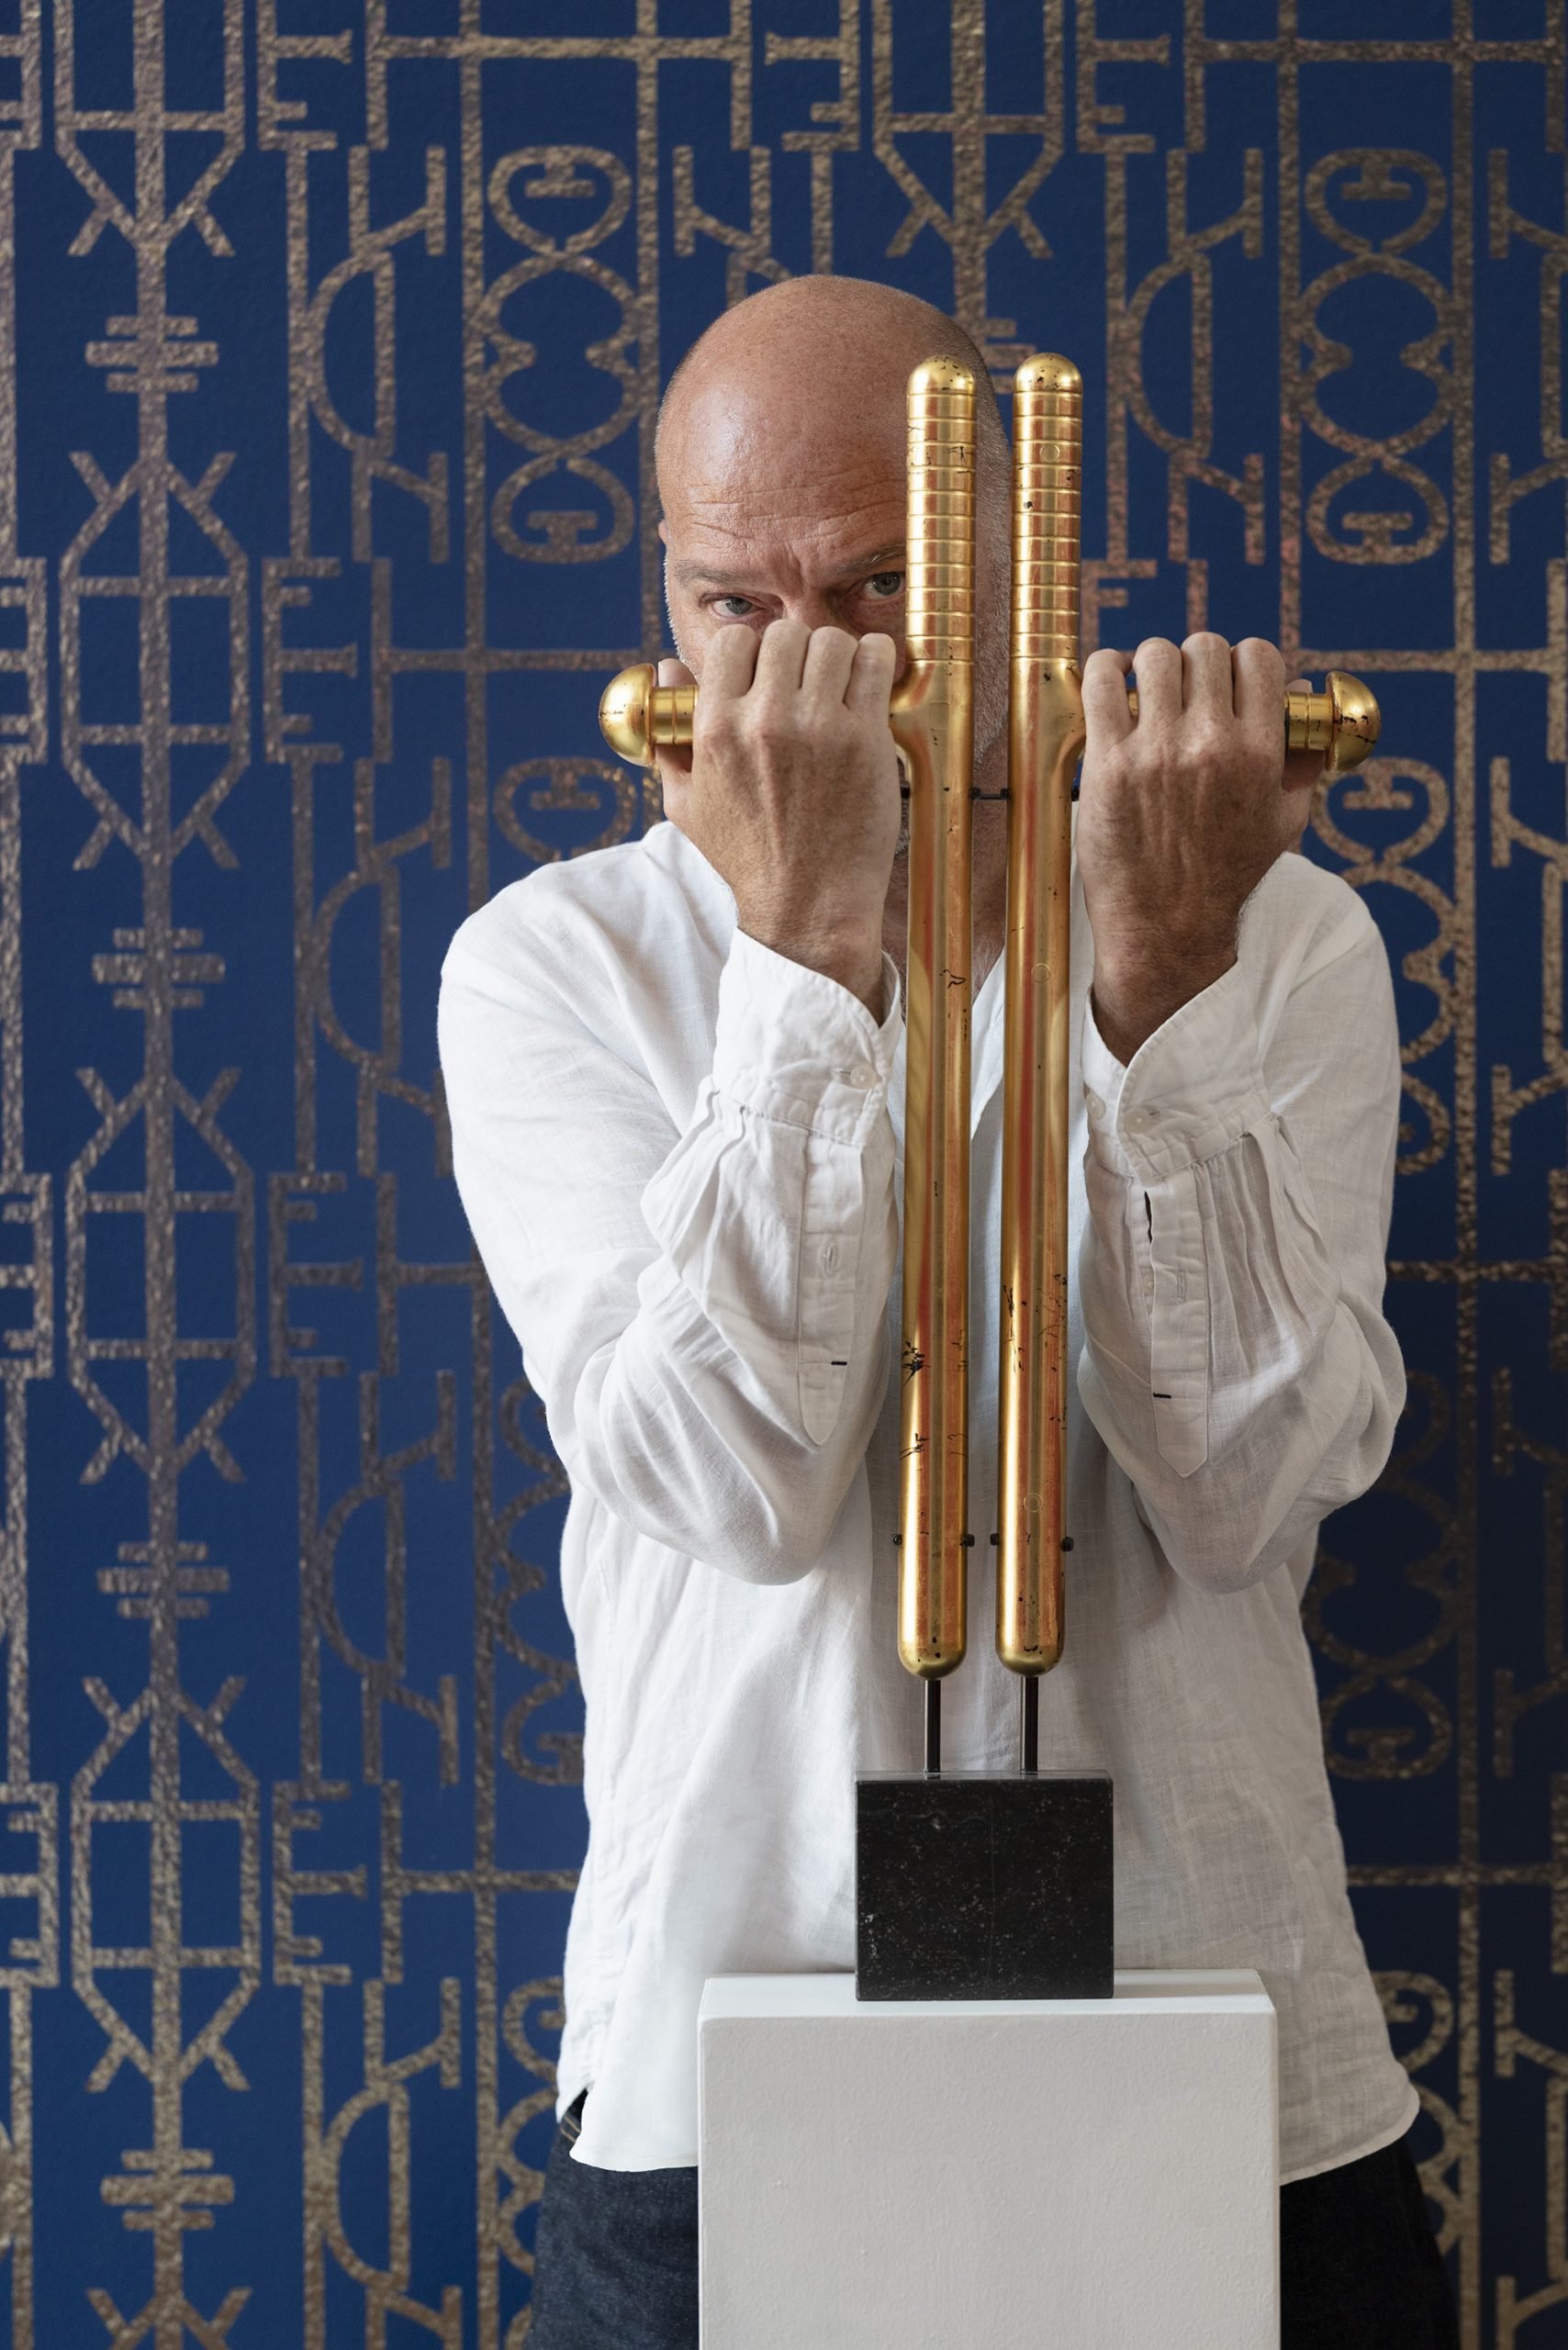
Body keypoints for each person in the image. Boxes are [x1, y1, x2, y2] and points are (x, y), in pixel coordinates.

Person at [437, 274, 1458, 2349]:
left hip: (1230, 2023)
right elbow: (727, 1482)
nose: (809, 665)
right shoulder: (549, 966)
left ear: (1027, 567)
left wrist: (1155, 990)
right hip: (720, 2040)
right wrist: (804, 955)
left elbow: (1249, 1488)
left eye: (883, 582)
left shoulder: (1283, 942)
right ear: (663, 600)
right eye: (737, 603)